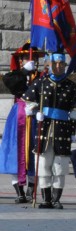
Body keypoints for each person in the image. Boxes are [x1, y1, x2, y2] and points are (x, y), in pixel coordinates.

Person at [23, 52, 76, 209]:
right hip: (44, 130)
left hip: (62, 131)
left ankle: (56, 199)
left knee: (60, 166)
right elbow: (28, 103)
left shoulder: (71, 86)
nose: (58, 66)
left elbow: (74, 113)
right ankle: (46, 199)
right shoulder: (40, 83)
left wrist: (72, 132)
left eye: (61, 64)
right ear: (49, 64)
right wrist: (36, 110)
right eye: (55, 63)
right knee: (43, 165)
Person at [0, 42, 44, 203]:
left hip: (35, 116)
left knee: (34, 150)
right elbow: (8, 81)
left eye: (30, 57)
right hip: (19, 115)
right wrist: (24, 71)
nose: (28, 59)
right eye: (25, 57)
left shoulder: (41, 76)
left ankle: (31, 189)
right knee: (15, 151)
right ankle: (19, 191)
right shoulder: (16, 75)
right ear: (20, 60)